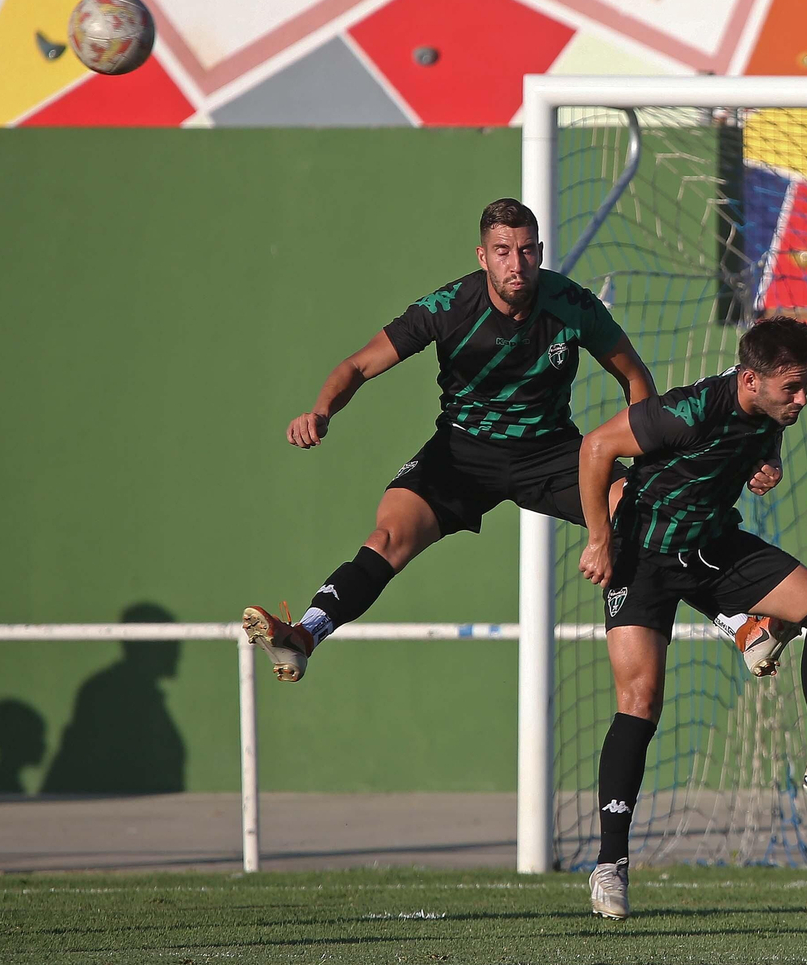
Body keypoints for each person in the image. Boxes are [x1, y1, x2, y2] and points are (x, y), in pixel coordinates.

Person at [240, 199, 664, 680]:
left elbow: (634, 377)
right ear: (482, 256)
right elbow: (359, 366)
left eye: (526, 251)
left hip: (549, 451)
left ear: (541, 252)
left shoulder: (573, 304)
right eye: (502, 251)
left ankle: (737, 618)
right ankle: (305, 633)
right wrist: (321, 411)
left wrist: (647, 458)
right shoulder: (447, 308)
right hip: (462, 453)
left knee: (648, 507)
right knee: (387, 538)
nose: (516, 263)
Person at [578, 317, 807, 920]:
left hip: (712, 549)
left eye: (805, 386)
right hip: (641, 559)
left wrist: (769, 465)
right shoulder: (690, 409)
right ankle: (610, 865)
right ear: (751, 380)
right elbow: (596, 447)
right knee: (640, 704)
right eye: (793, 388)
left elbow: (757, 447)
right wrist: (599, 538)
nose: (802, 399)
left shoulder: (768, 414)